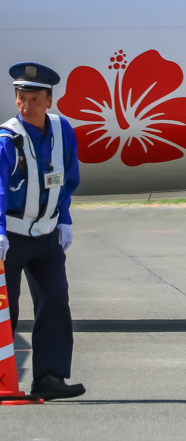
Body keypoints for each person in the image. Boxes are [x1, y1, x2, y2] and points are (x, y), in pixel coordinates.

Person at [0, 62, 85, 400]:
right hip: (13, 237)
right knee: (7, 308)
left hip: (48, 235)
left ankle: (50, 376)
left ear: (49, 100)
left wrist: (64, 219)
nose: (26, 105)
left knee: (54, 301)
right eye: (21, 97)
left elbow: (67, 178)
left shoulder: (63, 131)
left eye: (34, 98)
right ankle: (3, 379)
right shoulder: (7, 139)